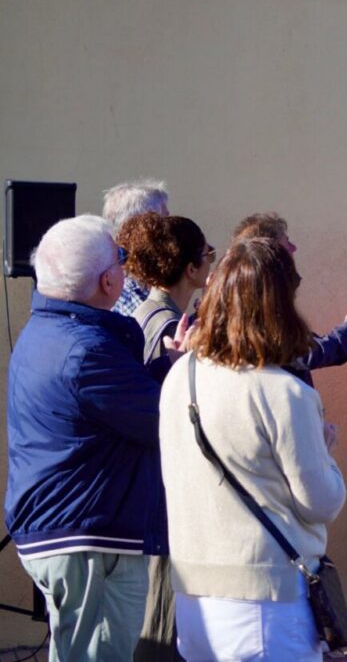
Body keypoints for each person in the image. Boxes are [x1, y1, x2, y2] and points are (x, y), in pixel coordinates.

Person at [159, 237, 347, 661]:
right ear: (282, 305)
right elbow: (320, 502)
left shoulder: (180, 377)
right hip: (267, 603)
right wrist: (326, 451)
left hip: (193, 599)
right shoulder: (284, 393)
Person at [4, 215, 166, 660]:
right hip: (88, 539)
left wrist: (164, 364)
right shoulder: (86, 349)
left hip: (71, 531)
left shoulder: (48, 331)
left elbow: (118, 406)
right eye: (121, 258)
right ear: (108, 279)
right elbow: (161, 420)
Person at [115, 212, 214, 661]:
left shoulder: (160, 314)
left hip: (159, 496)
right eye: (207, 256)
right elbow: (162, 411)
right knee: (161, 627)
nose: (212, 264)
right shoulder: (161, 323)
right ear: (191, 269)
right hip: (162, 501)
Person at [232, 212, 347, 385]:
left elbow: (304, 347)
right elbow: (304, 354)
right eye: (286, 241)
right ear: (270, 250)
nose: (294, 248)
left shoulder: (250, 294)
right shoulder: (261, 298)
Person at [119, 212, 214, 363]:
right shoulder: (172, 328)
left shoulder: (147, 309)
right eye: (209, 254)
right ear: (192, 270)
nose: (211, 261)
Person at [101, 178, 170, 316]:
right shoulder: (121, 289)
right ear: (141, 228)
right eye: (164, 221)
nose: (170, 229)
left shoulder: (146, 278)